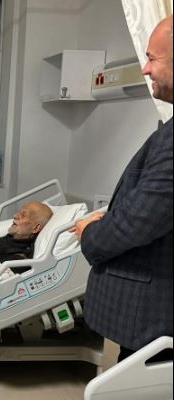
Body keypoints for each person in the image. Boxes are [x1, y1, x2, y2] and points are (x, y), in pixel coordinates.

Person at [73, 15, 173, 363]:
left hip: (154, 313)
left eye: (152, 59)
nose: (145, 69)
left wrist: (89, 233)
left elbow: (141, 220)